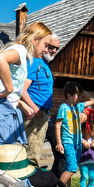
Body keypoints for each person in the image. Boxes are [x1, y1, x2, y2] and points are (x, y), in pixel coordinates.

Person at [0, 21, 52, 159]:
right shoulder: (20, 51)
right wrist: (9, 88)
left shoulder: (18, 51)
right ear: (34, 40)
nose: (46, 50)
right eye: (46, 45)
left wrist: (20, 103)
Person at [24, 35, 60, 167]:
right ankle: (27, 185)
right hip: (34, 115)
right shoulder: (35, 63)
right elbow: (22, 89)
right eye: (51, 47)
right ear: (43, 45)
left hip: (41, 115)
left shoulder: (44, 65)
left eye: (56, 48)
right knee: (32, 155)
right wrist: (35, 109)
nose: (54, 51)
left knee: (35, 152)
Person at [54, 82, 94, 187]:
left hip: (77, 143)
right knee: (72, 168)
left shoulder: (78, 107)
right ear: (69, 96)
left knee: (70, 168)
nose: (79, 97)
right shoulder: (63, 107)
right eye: (77, 94)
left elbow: (93, 100)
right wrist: (59, 143)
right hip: (68, 142)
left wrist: (81, 91)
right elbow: (58, 125)